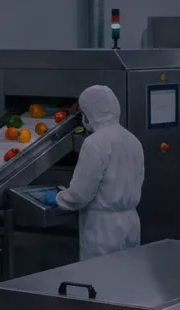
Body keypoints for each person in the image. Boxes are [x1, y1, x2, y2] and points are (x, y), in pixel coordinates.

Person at [43, 85, 144, 260]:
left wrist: (59, 198)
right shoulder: (132, 139)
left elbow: (80, 195)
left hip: (103, 230)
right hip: (130, 223)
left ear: (92, 111)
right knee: (127, 278)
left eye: (83, 112)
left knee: (101, 281)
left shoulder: (95, 143)